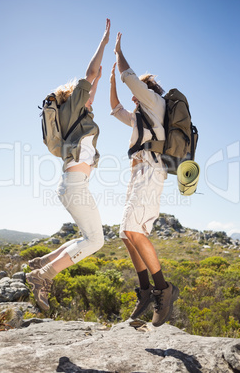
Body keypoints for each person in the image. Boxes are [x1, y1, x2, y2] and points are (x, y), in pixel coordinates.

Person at [25, 19, 111, 311]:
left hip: (73, 185)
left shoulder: (74, 115)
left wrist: (100, 78)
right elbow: (89, 74)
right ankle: (43, 275)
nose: (89, 96)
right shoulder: (74, 107)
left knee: (87, 237)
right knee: (96, 241)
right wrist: (103, 42)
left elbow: (93, 79)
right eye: (85, 92)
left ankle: (42, 262)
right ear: (74, 95)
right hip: (74, 186)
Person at [110, 32, 179, 327]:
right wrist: (111, 81)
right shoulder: (140, 115)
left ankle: (164, 289)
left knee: (136, 230)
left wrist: (118, 53)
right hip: (137, 176)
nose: (132, 96)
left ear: (145, 89)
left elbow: (130, 76)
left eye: (136, 90)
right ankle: (145, 290)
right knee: (126, 233)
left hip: (151, 173)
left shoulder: (154, 103)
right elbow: (115, 109)